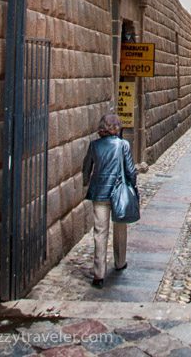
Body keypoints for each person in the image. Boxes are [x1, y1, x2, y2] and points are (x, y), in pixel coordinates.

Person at [82, 112, 138, 288]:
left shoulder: (94, 145)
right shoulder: (123, 145)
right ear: (117, 127)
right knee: (120, 227)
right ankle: (120, 262)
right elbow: (130, 170)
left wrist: (86, 183)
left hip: (99, 193)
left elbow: (86, 169)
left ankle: (99, 274)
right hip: (119, 192)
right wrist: (133, 187)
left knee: (100, 232)